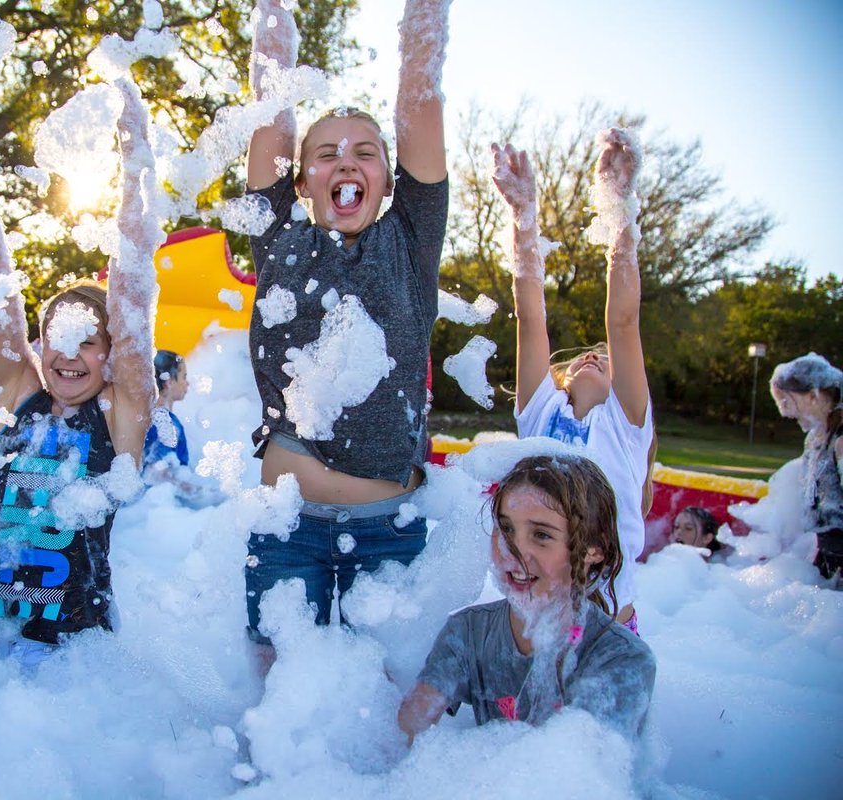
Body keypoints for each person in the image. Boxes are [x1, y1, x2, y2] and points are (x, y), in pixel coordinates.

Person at [241, 0, 452, 662]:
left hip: (390, 529)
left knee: (384, 707)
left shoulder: (411, 242)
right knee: (281, 708)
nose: (346, 163)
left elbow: (421, 110)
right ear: (303, 182)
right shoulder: (277, 240)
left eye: (366, 153)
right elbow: (270, 122)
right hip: (287, 527)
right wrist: (272, 31)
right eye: (326, 155)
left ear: (388, 179)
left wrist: (425, 22)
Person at [0, 63, 160, 662]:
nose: (70, 355)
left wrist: (135, 160)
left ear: (110, 356)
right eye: (59, 338)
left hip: (75, 663)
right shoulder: (19, 396)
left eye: (90, 341)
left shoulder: (118, 416)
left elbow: (134, 301)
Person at [492, 131, 654, 633]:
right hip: (534, 622)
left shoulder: (627, 427)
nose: (593, 355)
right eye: (587, 355)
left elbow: (624, 323)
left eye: (604, 360)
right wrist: (523, 218)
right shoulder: (542, 414)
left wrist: (618, 206)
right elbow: (529, 318)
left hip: (608, 628)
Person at [398, 454, 656, 742]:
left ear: (593, 550)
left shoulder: (620, 658)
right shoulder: (467, 632)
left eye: (541, 535)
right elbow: (411, 728)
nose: (512, 551)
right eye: (506, 528)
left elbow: (592, 774)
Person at [769, 353, 843, 582]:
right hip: (824, 555)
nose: (784, 411)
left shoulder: (840, 440)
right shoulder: (814, 439)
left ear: (814, 396)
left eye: (787, 401)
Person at [143, 350, 190, 469]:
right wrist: (199, 488)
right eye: (183, 377)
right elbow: (159, 473)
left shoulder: (142, 417)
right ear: (168, 382)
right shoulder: (168, 424)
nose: (187, 383)